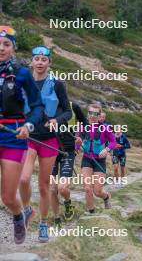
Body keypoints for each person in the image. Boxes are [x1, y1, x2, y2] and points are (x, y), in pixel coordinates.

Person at [19, 45, 72, 242]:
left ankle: (43, 224)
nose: (40, 62)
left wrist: (56, 121)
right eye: (37, 59)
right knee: (24, 179)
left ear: (49, 62)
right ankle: (26, 210)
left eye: (44, 59)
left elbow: (68, 111)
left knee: (43, 186)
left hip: (49, 140)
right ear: (31, 61)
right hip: (29, 138)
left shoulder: (57, 84)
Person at [0, 26, 44, 244]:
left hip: (13, 136)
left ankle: (20, 214)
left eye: (6, 44)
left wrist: (28, 126)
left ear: (13, 47)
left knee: (8, 197)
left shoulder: (22, 73)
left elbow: (37, 106)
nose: (1, 48)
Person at [50, 101, 87, 225]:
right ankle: (56, 219)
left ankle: (67, 203)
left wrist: (81, 137)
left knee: (62, 188)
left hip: (68, 151)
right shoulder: (44, 105)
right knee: (51, 188)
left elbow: (85, 123)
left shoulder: (73, 106)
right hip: (50, 152)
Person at [75, 104, 116, 214]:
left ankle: (106, 197)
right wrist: (77, 147)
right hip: (87, 159)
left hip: (99, 161)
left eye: (96, 114)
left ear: (99, 116)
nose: (93, 116)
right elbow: (78, 141)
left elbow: (113, 142)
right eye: (90, 113)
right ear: (87, 114)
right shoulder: (82, 126)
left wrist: (106, 150)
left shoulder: (105, 128)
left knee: (97, 191)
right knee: (88, 188)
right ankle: (91, 212)